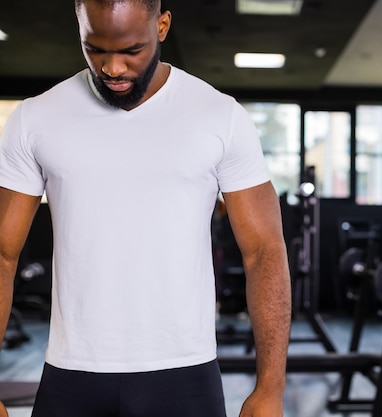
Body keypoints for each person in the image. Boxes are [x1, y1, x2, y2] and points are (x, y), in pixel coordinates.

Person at [0, 0, 291, 416]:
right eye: (95, 49)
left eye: (131, 50)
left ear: (163, 26)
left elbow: (264, 250)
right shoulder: (35, 118)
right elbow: (2, 254)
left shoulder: (219, 116)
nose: (112, 68)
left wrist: (270, 389)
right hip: (72, 372)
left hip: (185, 372)